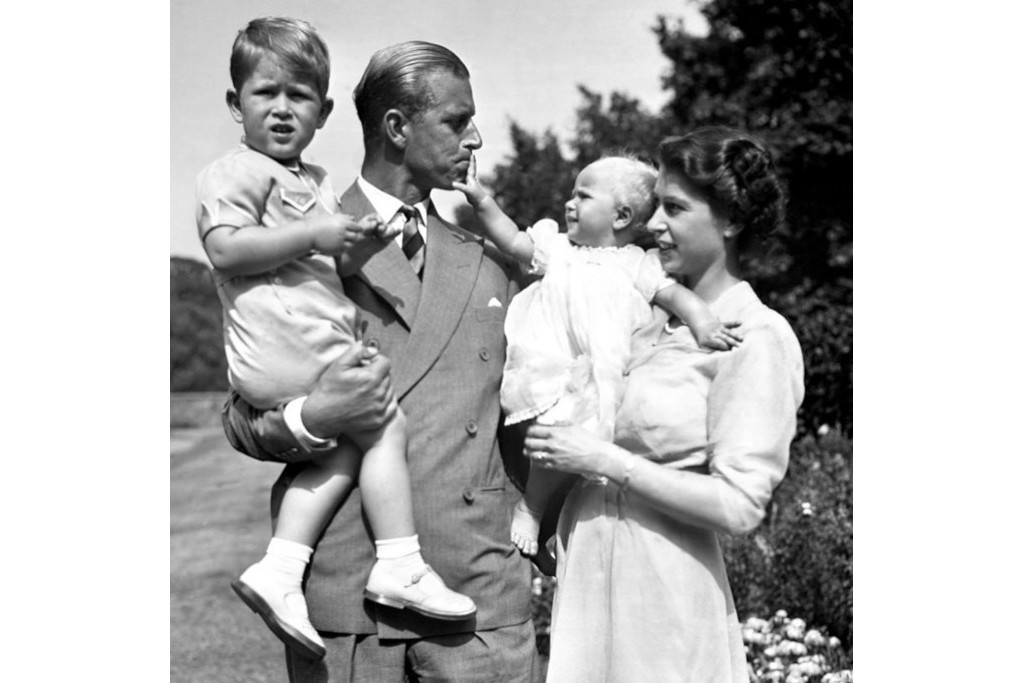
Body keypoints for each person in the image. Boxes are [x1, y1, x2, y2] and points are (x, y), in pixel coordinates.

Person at [220, 39, 539, 682]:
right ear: (397, 127)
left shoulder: (491, 261)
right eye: (456, 120)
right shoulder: (299, 242)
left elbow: (537, 403)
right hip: (346, 601)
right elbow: (240, 415)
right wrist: (313, 417)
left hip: (479, 601)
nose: (474, 138)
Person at [522, 126, 805, 682]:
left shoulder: (757, 337)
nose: (653, 225)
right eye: (655, 207)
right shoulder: (640, 316)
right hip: (587, 585)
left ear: (731, 220)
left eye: (674, 208)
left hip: (664, 599)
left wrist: (607, 463)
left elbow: (740, 505)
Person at [453, 154, 741, 571]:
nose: (570, 204)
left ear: (621, 216)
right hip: (554, 366)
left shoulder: (637, 265)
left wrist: (703, 322)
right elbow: (513, 239)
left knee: (586, 457)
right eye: (572, 194)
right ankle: (532, 510)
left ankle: (555, 525)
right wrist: (480, 199)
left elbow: (675, 296)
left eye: (583, 196)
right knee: (553, 439)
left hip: (605, 376)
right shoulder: (559, 250)